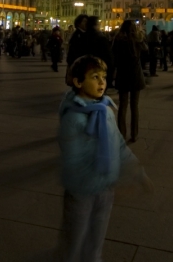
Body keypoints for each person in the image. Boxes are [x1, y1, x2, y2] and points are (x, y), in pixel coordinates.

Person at [57, 55, 152, 261]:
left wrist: (137, 172)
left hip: (105, 190)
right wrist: (96, 183)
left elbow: (118, 143)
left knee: (95, 241)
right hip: (81, 193)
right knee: (73, 242)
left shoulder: (106, 110)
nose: (102, 82)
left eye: (104, 77)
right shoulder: (73, 118)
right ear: (78, 82)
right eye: (94, 77)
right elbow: (73, 160)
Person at [112, 20, 147, 142]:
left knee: (122, 105)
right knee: (134, 106)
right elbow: (146, 51)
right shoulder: (137, 40)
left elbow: (114, 57)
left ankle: (121, 134)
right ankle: (134, 134)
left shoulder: (118, 40)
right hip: (135, 75)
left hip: (123, 74)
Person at [86, 16, 114, 89]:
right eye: (98, 23)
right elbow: (107, 55)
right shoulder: (100, 37)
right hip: (99, 65)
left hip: (86, 66)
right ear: (95, 25)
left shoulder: (84, 36)